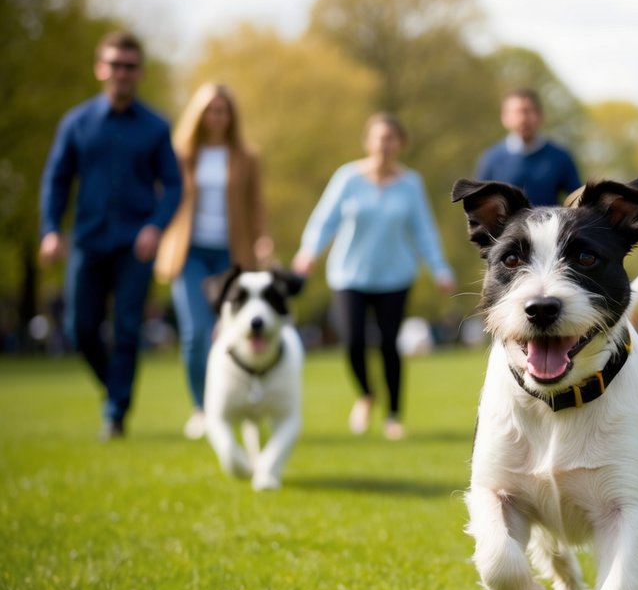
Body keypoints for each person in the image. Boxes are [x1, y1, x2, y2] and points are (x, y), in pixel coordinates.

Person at [38, 31, 182, 440]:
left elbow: (173, 185)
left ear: (141, 72)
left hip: (135, 244)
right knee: (80, 328)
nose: (122, 73)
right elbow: (57, 179)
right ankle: (115, 386)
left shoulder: (155, 127)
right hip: (87, 239)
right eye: (115, 65)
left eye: (130, 67)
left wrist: (155, 227)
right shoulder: (77, 123)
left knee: (127, 328)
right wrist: (50, 229)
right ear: (101, 69)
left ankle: (116, 413)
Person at [292, 113, 454, 440]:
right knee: (352, 341)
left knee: (389, 345)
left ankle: (393, 415)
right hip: (348, 274)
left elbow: (423, 230)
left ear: (399, 143)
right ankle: (366, 394)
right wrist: (309, 251)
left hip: (395, 275)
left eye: (391, 138)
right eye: (378, 137)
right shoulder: (347, 178)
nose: (384, 144)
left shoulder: (411, 183)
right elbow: (325, 219)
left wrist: (439, 267)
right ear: (368, 141)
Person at [155, 83, 270, 439]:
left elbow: (255, 205)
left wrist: (262, 239)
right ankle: (201, 407)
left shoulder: (246, 157)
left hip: (231, 253)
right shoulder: (179, 154)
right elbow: (164, 198)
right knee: (196, 332)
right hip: (189, 252)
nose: (216, 117)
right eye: (210, 110)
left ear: (230, 116)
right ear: (199, 114)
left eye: (222, 111)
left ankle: (242, 404)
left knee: (236, 333)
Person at [474, 88, 581, 206]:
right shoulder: (491, 159)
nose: (523, 119)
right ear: (505, 117)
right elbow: (479, 206)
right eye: (517, 112)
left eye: (528, 111)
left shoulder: (560, 157)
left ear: (540, 116)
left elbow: (577, 200)